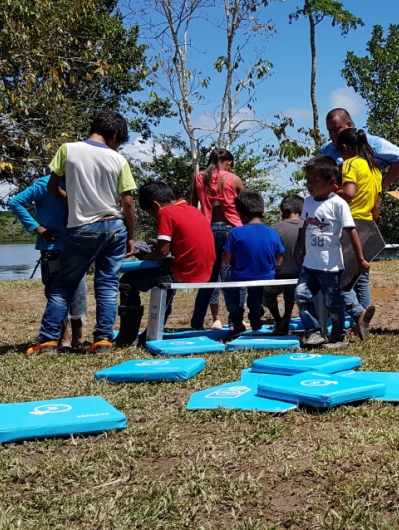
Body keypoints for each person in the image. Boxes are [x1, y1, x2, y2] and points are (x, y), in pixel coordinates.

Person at [27, 110, 138, 356]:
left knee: (62, 287)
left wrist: (68, 197)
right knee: (108, 286)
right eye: (119, 141)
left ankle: (47, 342)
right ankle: (103, 341)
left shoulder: (68, 149)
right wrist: (131, 235)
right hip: (115, 227)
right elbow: (127, 202)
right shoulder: (118, 160)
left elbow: (52, 186)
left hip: (84, 228)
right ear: (116, 134)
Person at [114, 181, 215, 347]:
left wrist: (147, 256)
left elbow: (161, 252)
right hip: (203, 271)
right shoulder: (193, 210)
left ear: (156, 204)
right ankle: (152, 331)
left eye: (151, 213)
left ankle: (128, 336)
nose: (154, 218)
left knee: (127, 282)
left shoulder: (166, 212)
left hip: (184, 273)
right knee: (161, 279)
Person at [295, 155, 370, 348]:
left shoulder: (338, 204)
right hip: (309, 264)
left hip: (330, 266)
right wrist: (302, 249)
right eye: (308, 180)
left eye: (315, 181)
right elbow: (305, 227)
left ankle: (338, 336)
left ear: (331, 183)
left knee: (333, 304)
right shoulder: (308, 202)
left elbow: (351, 231)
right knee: (301, 296)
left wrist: (360, 259)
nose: (309, 185)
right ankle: (313, 332)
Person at [9, 175, 88, 350]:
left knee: (79, 292)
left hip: (77, 244)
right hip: (53, 247)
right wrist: (38, 229)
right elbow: (15, 202)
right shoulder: (44, 184)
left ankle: (79, 338)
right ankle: (63, 338)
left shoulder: (81, 181)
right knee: (56, 293)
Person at [189, 148, 245, 330]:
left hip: (208, 231)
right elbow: (244, 207)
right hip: (232, 231)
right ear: (228, 162)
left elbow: (192, 206)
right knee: (232, 279)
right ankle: (235, 321)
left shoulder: (199, 178)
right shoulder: (233, 179)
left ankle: (197, 321)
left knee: (208, 279)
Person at [334, 128, 379, 341]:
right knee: (361, 278)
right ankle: (361, 324)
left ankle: (358, 313)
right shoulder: (375, 168)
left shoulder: (351, 163)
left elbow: (349, 194)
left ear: (344, 148)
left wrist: (330, 189)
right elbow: (377, 203)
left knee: (340, 278)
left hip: (350, 224)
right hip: (369, 224)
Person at [221, 192, 284, 336]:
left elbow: (225, 258)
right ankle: (255, 318)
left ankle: (236, 320)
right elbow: (279, 260)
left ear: (240, 214)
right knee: (256, 290)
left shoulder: (235, 232)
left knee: (228, 286)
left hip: (241, 276)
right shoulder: (272, 232)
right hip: (265, 275)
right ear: (262, 212)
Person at [320, 108, 399, 192]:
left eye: (336, 129)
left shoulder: (373, 143)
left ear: (349, 125)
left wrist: (381, 187)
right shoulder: (325, 149)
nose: (332, 134)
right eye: (329, 130)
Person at [262, 194, 304, 334]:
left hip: (277, 275)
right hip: (300, 276)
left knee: (267, 295)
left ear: (282, 211)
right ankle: (287, 316)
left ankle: (278, 318)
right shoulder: (308, 226)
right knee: (291, 295)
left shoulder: (273, 229)